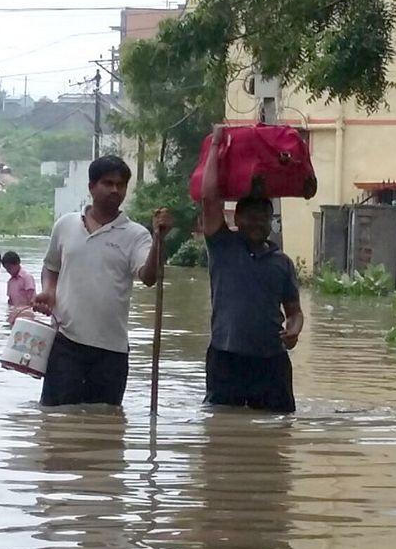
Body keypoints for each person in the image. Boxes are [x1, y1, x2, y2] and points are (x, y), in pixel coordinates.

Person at [32, 155, 172, 408]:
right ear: (91, 187)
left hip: (112, 351)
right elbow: (51, 266)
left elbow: (149, 277)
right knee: (55, 423)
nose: (115, 190)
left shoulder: (137, 235)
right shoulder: (65, 225)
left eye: (121, 185)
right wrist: (49, 291)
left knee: (107, 428)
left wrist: (159, 240)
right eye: (108, 183)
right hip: (65, 343)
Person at [200, 125, 304, 413]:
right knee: (221, 431)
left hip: (271, 361)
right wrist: (215, 146)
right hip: (226, 356)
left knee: (278, 432)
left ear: (272, 221)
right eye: (251, 217)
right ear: (238, 218)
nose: (258, 224)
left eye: (264, 218)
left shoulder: (281, 262)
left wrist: (293, 331)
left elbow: (294, 311)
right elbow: (209, 199)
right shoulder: (222, 246)